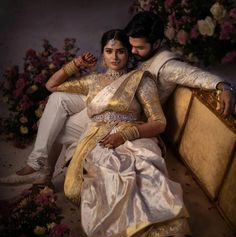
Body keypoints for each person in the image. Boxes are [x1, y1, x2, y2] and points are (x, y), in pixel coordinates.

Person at [1, 11, 235, 185]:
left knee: (53, 124)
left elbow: (193, 75)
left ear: (157, 43)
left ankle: (43, 174)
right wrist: (78, 64)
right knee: (58, 99)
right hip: (107, 95)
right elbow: (52, 85)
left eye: (138, 48)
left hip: (127, 111)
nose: (132, 52)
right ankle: (38, 163)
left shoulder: (167, 64)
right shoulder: (136, 54)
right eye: (129, 47)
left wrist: (223, 85)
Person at [44, 28, 195, 237]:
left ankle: (176, 236)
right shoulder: (93, 81)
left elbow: (159, 122)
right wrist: (76, 64)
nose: (114, 57)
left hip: (135, 135)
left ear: (129, 54)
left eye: (121, 51)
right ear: (102, 53)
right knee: (107, 175)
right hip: (98, 138)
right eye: (109, 51)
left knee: (143, 168)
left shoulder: (140, 80)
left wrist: (125, 136)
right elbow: (51, 86)